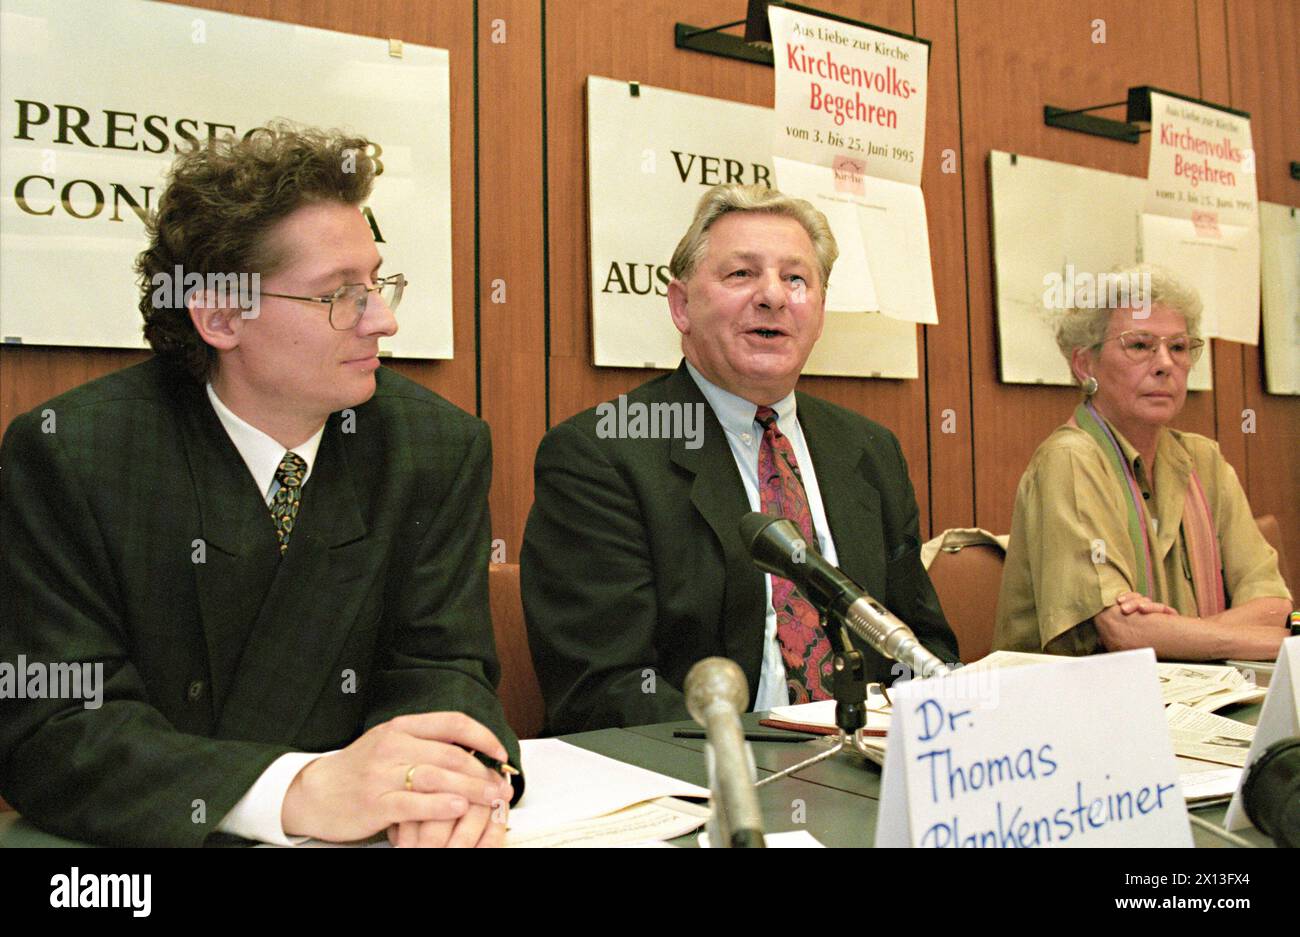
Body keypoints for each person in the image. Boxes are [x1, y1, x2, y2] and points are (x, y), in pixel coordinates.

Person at [0, 124, 521, 848]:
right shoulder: (74, 454)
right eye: (340, 295)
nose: (385, 320)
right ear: (219, 316)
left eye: (376, 283)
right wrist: (292, 790)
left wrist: (444, 780)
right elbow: (55, 725)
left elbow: (443, 668)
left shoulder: (435, 446)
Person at [521, 183, 959, 733]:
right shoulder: (602, 454)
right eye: (741, 274)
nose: (773, 296)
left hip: (866, 760)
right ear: (682, 305)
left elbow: (921, 643)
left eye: (796, 279)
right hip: (710, 776)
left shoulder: (868, 449)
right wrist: (757, 759)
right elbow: (605, 689)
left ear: (820, 309)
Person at [994, 266, 1292, 659]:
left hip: (1200, 697)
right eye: (1139, 346)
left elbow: (1274, 604)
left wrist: (1171, 633)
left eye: (1180, 347)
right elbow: (1123, 632)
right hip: (1081, 708)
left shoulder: (1203, 460)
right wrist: (1274, 643)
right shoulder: (1070, 460)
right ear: (1086, 366)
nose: (1165, 363)